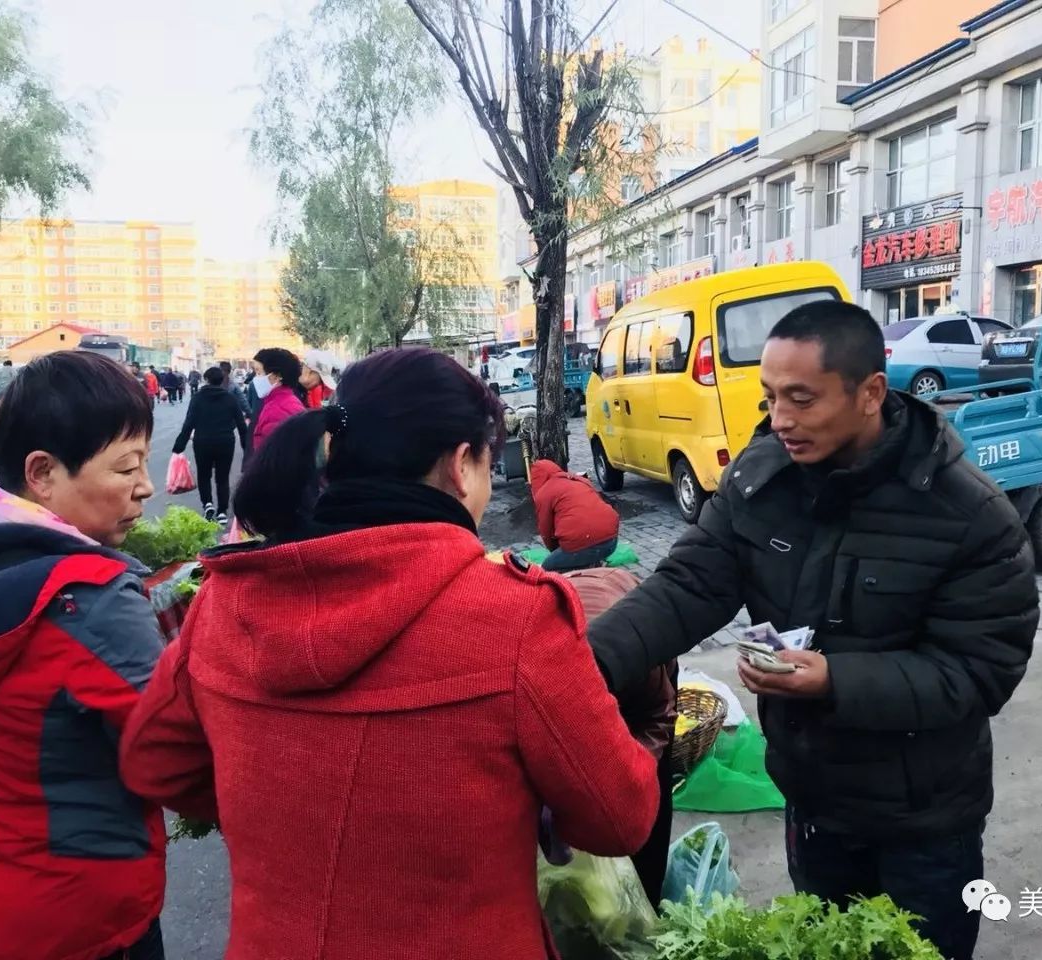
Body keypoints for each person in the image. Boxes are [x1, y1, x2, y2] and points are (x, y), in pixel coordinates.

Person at [119, 348, 658, 960]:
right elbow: (619, 817)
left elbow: (154, 762)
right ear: (461, 466)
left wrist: (279, 799)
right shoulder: (515, 616)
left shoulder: (225, 603)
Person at [587, 301, 1039, 960]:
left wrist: (833, 679)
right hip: (815, 806)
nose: (781, 420)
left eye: (802, 399)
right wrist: (573, 668)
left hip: (923, 824)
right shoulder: (760, 480)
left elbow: (977, 672)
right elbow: (685, 589)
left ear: (870, 394)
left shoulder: (968, 515)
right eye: (771, 397)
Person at [0, 350, 167, 960]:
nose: (147, 487)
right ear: (43, 472)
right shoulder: (91, 600)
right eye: (126, 467)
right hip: (81, 915)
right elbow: (172, 752)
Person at [559, 567, 677, 908]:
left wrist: (630, 777)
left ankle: (649, 901)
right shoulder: (535, 668)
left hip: (631, 625)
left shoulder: (639, 662)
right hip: (582, 603)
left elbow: (659, 716)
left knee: (649, 792)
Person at [173, 365, 250, 524]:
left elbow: (189, 423)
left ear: (206, 380)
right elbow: (242, 425)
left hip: (202, 442)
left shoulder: (198, 398)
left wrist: (179, 446)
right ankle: (222, 511)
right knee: (222, 478)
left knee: (204, 474)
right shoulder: (230, 399)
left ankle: (207, 504)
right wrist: (246, 446)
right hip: (225, 442)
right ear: (222, 380)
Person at [529, 458, 620, 571]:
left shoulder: (544, 493)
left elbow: (545, 529)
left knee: (547, 567)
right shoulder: (579, 480)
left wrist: (555, 551)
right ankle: (593, 563)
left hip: (583, 544)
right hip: (611, 542)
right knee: (583, 552)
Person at [248, 348, 306, 451]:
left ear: (276, 376)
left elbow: (275, 458)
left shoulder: (277, 411)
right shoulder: (285, 401)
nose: (255, 378)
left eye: (258, 372)